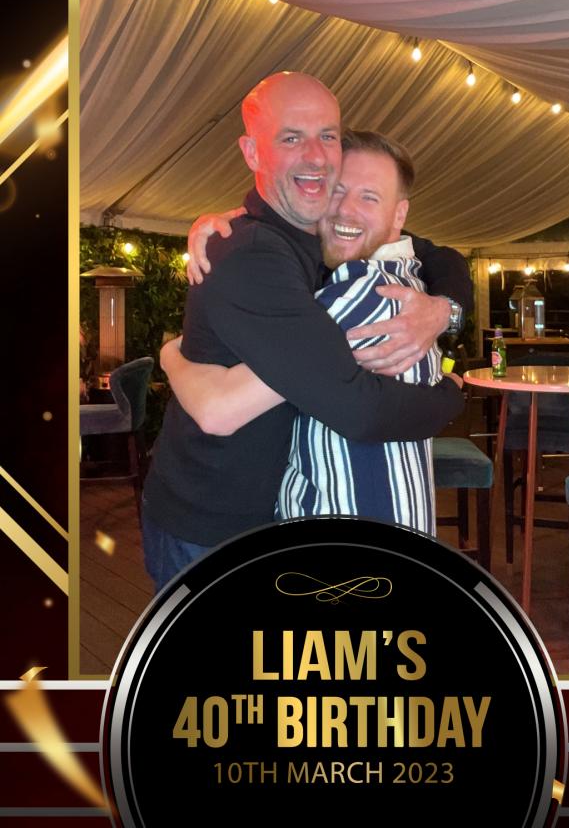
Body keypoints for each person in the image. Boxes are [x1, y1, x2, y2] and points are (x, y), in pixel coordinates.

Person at [141, 71, 469, 590]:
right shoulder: (256, 255)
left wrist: (445, 309)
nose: (315, 157)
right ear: (253, 153)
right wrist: (452, 393)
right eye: (292, 138)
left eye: (327, 136)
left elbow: (438, 253)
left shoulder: (315, 239)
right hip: (211, 525)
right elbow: (352, 408)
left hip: (261, 517)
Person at [163, 130, 450, 537]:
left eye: (369, 197)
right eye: (337, 191)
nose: (346, 210)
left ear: (399, 215)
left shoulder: (358, 298)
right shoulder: (405, 280)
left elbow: (217, 410)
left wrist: (168, 354)